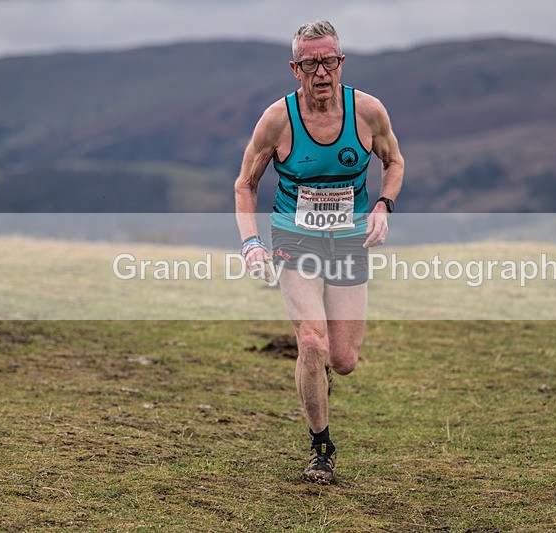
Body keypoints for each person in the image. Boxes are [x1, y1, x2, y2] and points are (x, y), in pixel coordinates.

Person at [234, 20, 404, 484]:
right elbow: (245, 185)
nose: (321, 71)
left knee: (342, 359)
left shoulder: (367, 112)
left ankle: (319, 377)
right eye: (310, 63)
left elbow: (394, 161)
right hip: (295, 239)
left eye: (329, 61)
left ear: (341, 63)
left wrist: (384, 206)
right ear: (296, 69)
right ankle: (321, 447)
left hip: (349, 241)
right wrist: (251, 243)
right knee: (311, 341)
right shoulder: (277, 120)